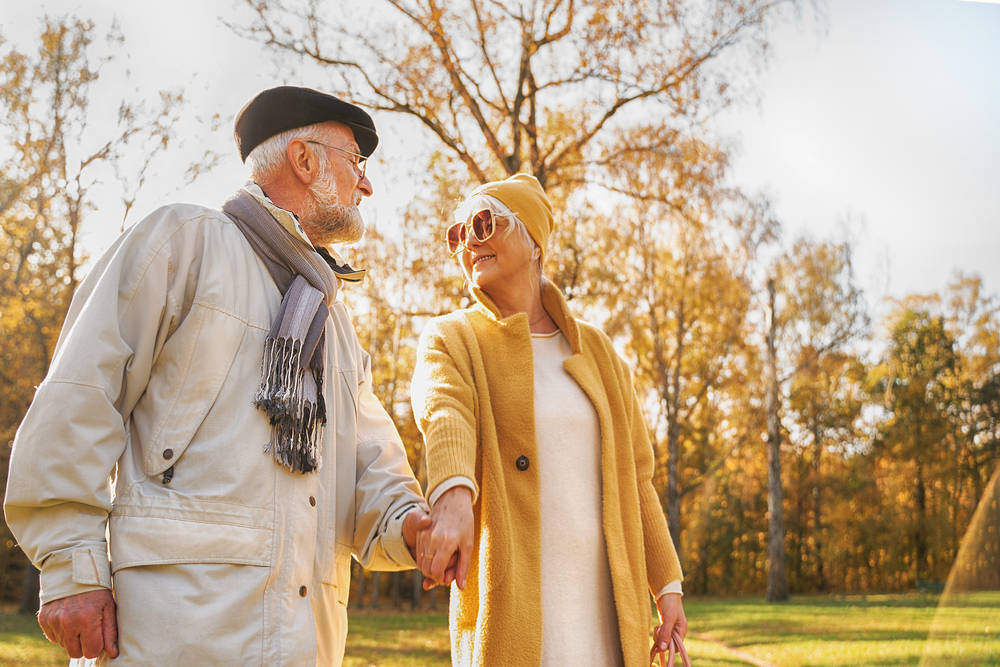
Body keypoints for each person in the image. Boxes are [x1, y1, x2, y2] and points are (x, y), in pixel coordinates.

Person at [4, 86, 430, 667]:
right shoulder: (184, 241)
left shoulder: (337, 326)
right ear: (304, 161)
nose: (367, 183)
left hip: (306, 645)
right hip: (170, 635)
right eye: (356, 161)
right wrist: (71, 565)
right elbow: (80, 395)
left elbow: (370, 465)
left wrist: (414, 527)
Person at [410, 174, 689, 666]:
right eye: (458, 233)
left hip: (603, 610)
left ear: (534, 242)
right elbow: (444, 411)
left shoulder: (599, 352)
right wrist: (452, 496)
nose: (469, 242)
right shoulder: (452, 338)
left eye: (483, 222)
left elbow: (637, 478)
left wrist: (667, 586)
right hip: (509, 609)